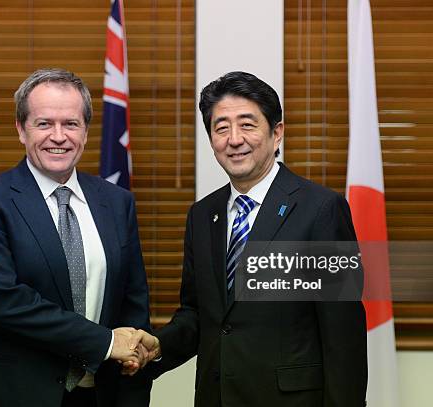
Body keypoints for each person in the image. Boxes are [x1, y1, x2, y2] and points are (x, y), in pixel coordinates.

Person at [128, 71, 367, 406]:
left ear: (276, 133)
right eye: (221, 127)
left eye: (247, 124)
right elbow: (198, 314)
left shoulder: (321, 209)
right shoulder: (202, 215)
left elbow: (343, 336)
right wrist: (159, 346)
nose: (234, 139)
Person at [0, 68, 151, 407]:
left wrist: (134, 353)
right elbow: (3, 301)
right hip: (11, 394)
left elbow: (133, 299)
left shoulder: (116, 202)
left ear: (86, 131)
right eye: (44, 124)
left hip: (98, 394)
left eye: (71, 124)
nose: (59, 136)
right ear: (21, 129)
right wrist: (104, 342)